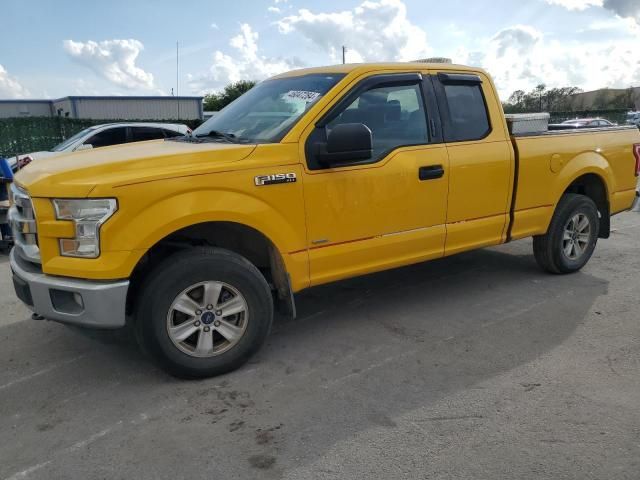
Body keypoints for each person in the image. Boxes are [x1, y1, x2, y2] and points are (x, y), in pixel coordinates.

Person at [0, 157, 13, 241]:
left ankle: (7, 239)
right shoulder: (2, 162)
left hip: (3, 200)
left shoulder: (2, 162)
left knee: (5, 221)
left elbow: (10, 178)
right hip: (5, 200)